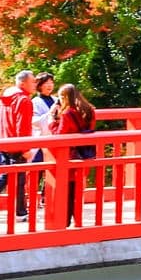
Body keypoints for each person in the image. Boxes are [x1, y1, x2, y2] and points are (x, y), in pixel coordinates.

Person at [50, 85, 99, 225]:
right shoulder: (89, 111)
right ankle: (77, 219)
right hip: (85, 153)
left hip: (70, 155)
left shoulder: (67, 114)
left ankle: (64, 220)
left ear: (64, 97)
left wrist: (52, 123)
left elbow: (60, 135)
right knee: (77, 188)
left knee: (67, 189)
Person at [0, 71, 36, 220]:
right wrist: (26, 148)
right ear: (22, 83)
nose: (35, 85)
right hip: (17, 143)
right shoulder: (23, 100)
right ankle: (20, 212)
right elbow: (23, 126)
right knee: (19, 179)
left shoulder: (5, 98)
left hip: (4, 141)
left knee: (7, 175)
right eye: (32, 82)